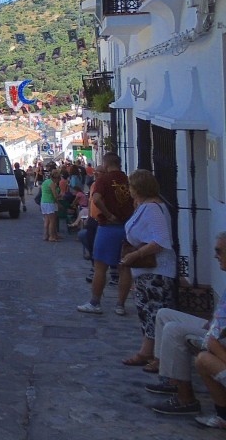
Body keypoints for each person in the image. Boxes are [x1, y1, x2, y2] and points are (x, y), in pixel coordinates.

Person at [145, 232, 226, 421]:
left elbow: (215, 336)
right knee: (164, 314)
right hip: (215, 327)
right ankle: (170, 378)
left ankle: (185, 397)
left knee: (174, 330)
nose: (216, 256)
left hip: (219, 335)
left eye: (219, 251)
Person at [120, 169, 175, 366]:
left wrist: (136, 254)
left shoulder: (153, 209)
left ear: (139, 188)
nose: (129, 189)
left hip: (157, 271)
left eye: (131, 186)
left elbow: (161, 240)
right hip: (147, 272)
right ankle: (148, 352)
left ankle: (158, 357)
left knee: (154, 313)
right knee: (147, 311)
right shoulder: (146, 206)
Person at [77, 152, 133, 315]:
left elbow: (96, 198)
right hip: (127, 227)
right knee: (125, 267)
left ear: (106, 164)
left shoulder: (104, 180)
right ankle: (120, 305)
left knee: (100, 267)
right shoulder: (127, 179)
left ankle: (95, 303)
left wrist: (108, 214)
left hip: (108, 227)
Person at [39, 167, 61, 242]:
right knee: (52, 221)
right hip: (49, 202)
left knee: (47, 220)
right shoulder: (52, 183)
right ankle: (52, 236)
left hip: (44, 202)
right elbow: (55, 195)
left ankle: (46, 235)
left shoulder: (46, 181)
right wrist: (60, 196)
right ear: (56, 178)